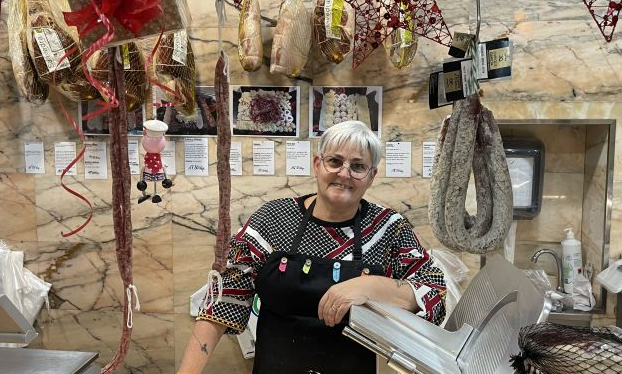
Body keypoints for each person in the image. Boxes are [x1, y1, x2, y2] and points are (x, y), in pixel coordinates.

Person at [177, 120, 447, 374]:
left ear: (372, 175)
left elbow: (434, 292)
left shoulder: (388, 228)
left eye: (358, 166)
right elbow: (222, 302)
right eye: (335, 161)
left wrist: (368, 287)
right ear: (317, 164)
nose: (344, 173)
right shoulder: (272, 220)